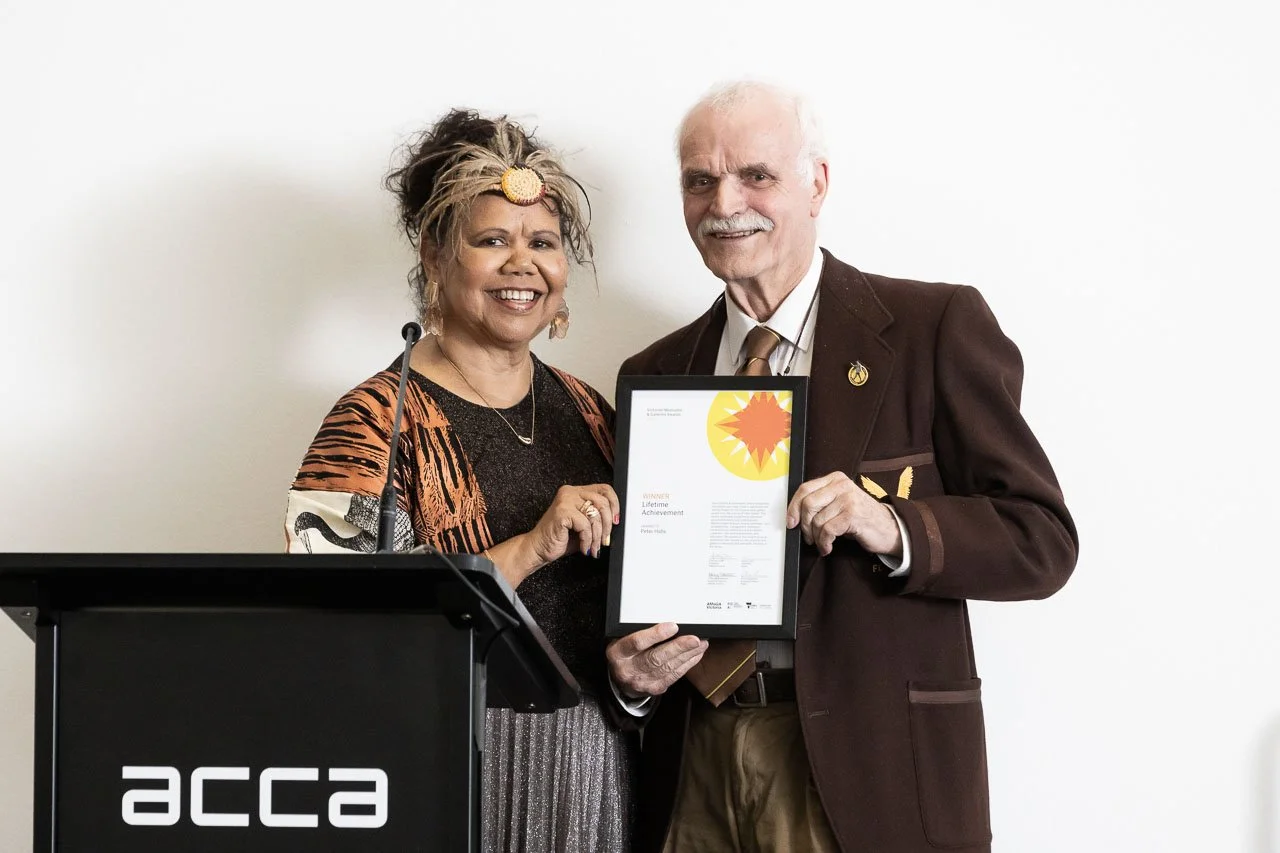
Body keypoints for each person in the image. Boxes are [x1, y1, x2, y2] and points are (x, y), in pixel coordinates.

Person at [605, 81, 1079, 853]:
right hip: (694, 761)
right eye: (699, 180)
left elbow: (1042, 538)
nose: (725, 201)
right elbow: (644, 583)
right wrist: (632, 681)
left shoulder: (933, 327)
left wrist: (890, 524)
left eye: (756, 174)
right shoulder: (654, 373)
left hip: (869, 767)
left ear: (817, 182)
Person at [284, 109, 631, 853]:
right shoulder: (373, 419)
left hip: (596, 768)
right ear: (435, 254)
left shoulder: (591, 412)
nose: (523, 264)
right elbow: (327, 623)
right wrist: (531, 547)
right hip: (440, 762)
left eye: (542, 242)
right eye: (492, 240)